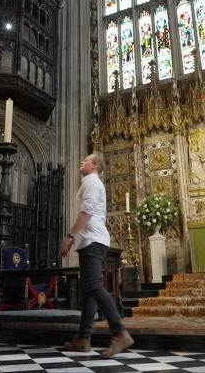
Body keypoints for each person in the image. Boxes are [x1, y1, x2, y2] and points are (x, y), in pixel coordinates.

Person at [60, 153, 134, 357]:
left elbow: (87, 212)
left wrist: (69, 236)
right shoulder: (89, 182)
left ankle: (119, 333)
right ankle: (83, 338)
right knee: (89, 290)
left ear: (94, 166)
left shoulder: (92, 182)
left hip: (93, 240)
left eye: (85, 160)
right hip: (90, 240)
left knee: (93, 286)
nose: (80, 162)